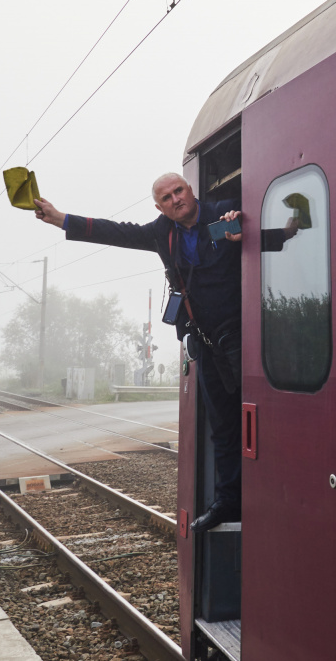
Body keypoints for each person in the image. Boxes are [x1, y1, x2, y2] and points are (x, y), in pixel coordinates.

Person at [34, 173, 298, 531]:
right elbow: (117, 231)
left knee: (261, 415)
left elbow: (276, 234)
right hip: (205, 343)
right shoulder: (162, 232)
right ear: (160, 207)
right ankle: (229, 502)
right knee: (222, 425)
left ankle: (281, 493)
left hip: (243, 336)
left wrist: (256, 231)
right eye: (167, 197)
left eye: (179, 191)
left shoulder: (223, 213)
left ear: (191, 191)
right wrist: (60, 218)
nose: (176, 199)